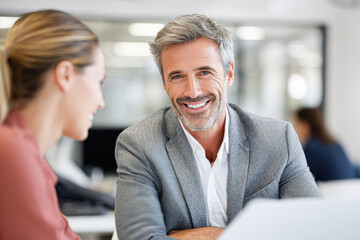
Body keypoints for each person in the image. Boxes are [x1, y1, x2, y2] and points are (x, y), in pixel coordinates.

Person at [114, 14, 321, 240]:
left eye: (204, 72)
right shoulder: (139, 144)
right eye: (177, 76)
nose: (192, 91)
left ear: (229, 74)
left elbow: (313, 230)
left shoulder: (278, 140)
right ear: (164, 83)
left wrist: (201, 235)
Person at [0, 10, 105, 239]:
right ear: (65, 75)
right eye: (98, 80)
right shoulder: (12, 153)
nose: (101, 102)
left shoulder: (28, 156)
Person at [294, 107, 358, 181]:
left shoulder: (311, 148)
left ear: (305, 125)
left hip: (331, 190)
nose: (295, 128)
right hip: (351, 187)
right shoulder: (334, 142)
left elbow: (300, 177)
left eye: (297, 123)